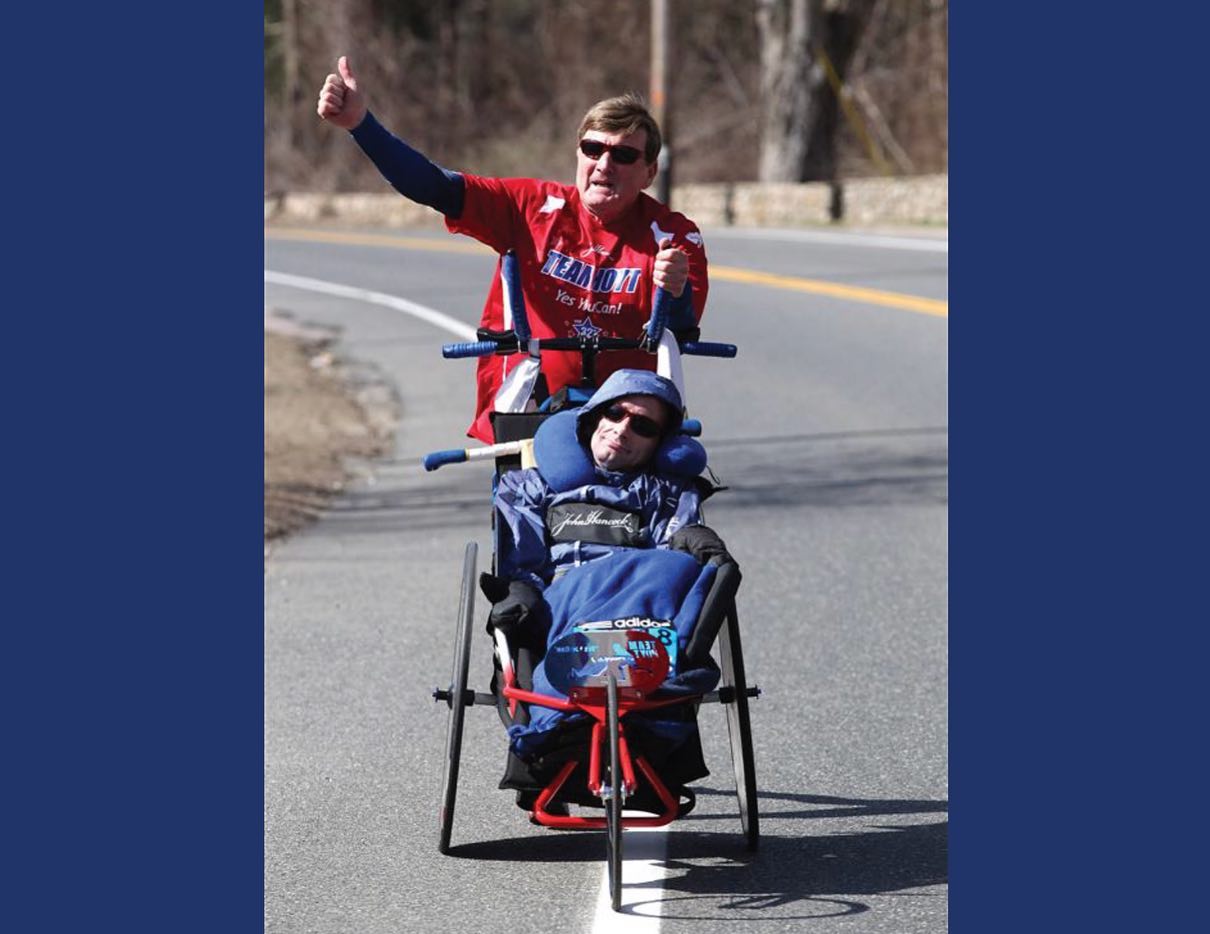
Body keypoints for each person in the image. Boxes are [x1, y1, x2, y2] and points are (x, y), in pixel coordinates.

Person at [317, 56, 709, 444]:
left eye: (623, 155)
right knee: (523, 505)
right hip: (531, 407)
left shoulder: (673, 236)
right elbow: (433, 186)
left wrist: (674, 292)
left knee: (674, 490)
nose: (604, 164)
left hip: (627, 425)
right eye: (592, 149)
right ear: (578, 154)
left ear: (650, 172)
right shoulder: (529, 206)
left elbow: (680, 331)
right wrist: (361, 126)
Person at [485, 367, 732, 660]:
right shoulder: (531, 486)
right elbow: (521, 562)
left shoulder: (666, 493)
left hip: (638, 617)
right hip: (563, 610)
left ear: (659, 443)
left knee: (685, 567)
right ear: (594, 418)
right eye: (615, 412)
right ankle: (572, 677)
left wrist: (694, 538)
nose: (622, 429)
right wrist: (519, 591)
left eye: (643, 426)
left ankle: (648, 672)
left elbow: (672, 574)